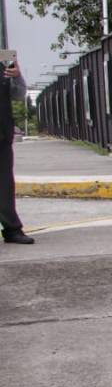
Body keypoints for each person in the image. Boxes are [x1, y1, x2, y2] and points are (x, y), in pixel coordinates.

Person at [1, 56, 33, 245]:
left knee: (4, 185)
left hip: (1, 134)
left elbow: (18, 95)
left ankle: (12, 229)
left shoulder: (3, 65)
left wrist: (17, 76)